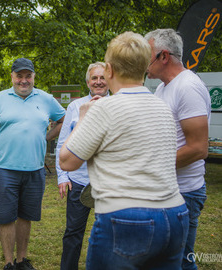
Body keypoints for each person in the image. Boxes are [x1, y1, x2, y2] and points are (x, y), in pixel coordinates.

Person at [59, 31, 189, 269]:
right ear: (143, 67)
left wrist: (82, 118)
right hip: (175, 214)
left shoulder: (102, 109)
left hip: (126, 218)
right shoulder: (162, 107)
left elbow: (67, 161)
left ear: (109, 70)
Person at [0, 58, 65, 270]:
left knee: (26, 216)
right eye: (19, 76)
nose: (23, 80)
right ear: (12, 77)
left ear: (34, 76)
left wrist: (47, 137)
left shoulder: (45, 98)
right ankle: (8, 263)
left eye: (28, 76)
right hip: (4, 170)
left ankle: (21, 260)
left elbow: (63, 119)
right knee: (6, 217)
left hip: (35, 170)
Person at [145, 28, 211, 270]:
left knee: (180, 262)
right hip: (164, 190)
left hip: (184, 193)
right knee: (163, 260)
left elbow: (198, 148)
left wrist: (150, 166)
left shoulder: (188, 87)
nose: (143, 62)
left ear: (163, 56)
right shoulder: (163, 87)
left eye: (147, 55)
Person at [55, 62, 108, 270]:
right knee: (73, 233)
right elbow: (62, 143)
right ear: (88, 82)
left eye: (102, 77)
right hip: (78, 180)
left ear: (109, 80)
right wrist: (62, 176)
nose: (98, 82)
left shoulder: (118, 104)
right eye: (94, 78)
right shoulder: (75, 107)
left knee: (107, 233)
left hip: (108, 182)